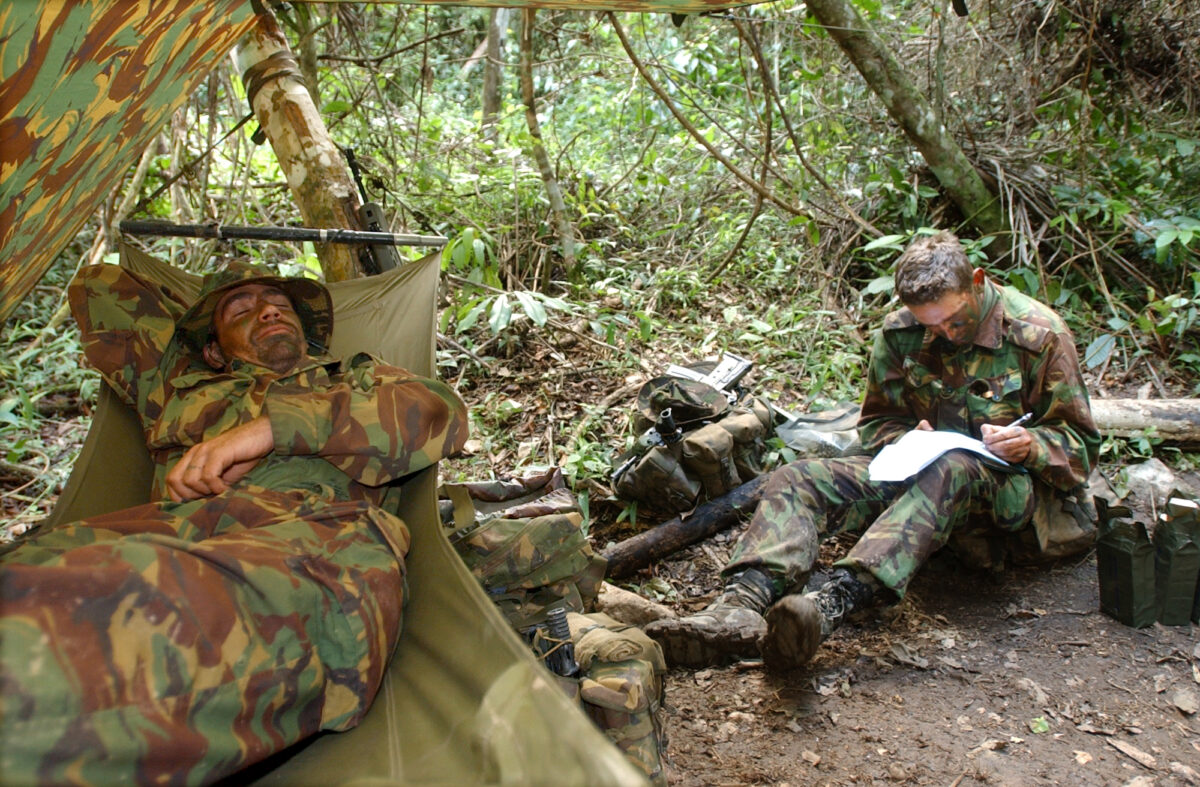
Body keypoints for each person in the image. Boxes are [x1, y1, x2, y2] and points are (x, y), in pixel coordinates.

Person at [0, 260, 468, 784]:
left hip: (310, 538)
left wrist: (272, 429)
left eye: (280, 304)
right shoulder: (177, 391)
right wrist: (196, 321)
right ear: (213, 349)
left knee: (45, 643)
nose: (268, 309)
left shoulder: (354, 377)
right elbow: (98, 285)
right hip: (163, 530)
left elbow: (439, 414)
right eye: (242, 309)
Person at [646, 231, 1100, 670]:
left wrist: (1030, 444)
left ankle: (833, 603)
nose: (945, 332)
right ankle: (739, 606)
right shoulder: (900, 333)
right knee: (799, 477)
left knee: (954, 467)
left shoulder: (1038, 334)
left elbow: (1081, 448)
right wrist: (900, 437)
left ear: (977, 283)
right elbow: (878, 422)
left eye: (955, 320)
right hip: (918, 475)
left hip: (1009, 495)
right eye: (931, 325)